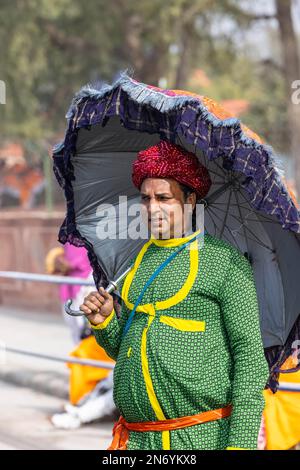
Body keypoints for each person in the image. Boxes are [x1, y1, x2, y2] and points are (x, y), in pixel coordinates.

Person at [79, 140, 270, 450]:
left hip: (201, 439)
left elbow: (249, 359)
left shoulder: (224, 263)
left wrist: (241, 445)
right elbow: (127, 350)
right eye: (145, 199)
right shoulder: (136, 262)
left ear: (190, 200)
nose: (152, 208)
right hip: (137, 440)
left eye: (164, 198)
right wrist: (105, 323)